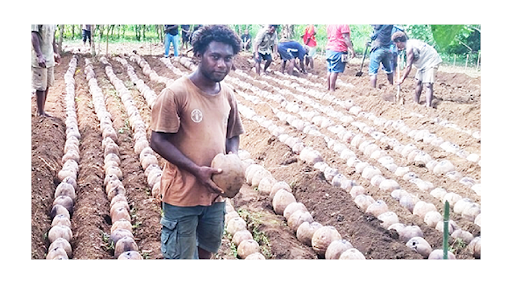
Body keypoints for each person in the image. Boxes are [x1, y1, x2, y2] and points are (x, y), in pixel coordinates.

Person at [150, 25, 245, 259]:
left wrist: (232, 157)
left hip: (215, 195)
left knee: (206, 253)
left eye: (227, 58)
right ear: (199, 55)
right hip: (182, 195)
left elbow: (233, 133)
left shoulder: (228, 95)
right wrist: (196, 170)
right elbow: (157, 140)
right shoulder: (176, 93)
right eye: (215, 57)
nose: (222, 64)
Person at [392, 31, 442, 107]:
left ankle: (428, 106)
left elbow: (409, 66)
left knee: (428, 84)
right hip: (422, 64)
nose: (396, 46)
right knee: (418, 82)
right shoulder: (408, 45)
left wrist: (402, 79)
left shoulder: (410, 47)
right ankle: (415, 104)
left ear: (399, 41)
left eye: (396, 44)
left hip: (431, 61)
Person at [31, 25, 60, 117]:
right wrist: (39, 55)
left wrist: (55, 52)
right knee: (40, 86)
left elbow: (53, 37)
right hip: (40, 58)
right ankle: (40, 112)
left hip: (49, 57)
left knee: (47, 84)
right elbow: (33, 34)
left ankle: (42, 110)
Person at [325, 24, 355, 92]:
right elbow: (345, 37)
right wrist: (351, 49)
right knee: (335, 71)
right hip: (338, 49)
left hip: (329, 49)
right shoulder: (343, 24)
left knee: (330, 70)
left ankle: (329, 87)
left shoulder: (330, 24)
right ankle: (332, 89)